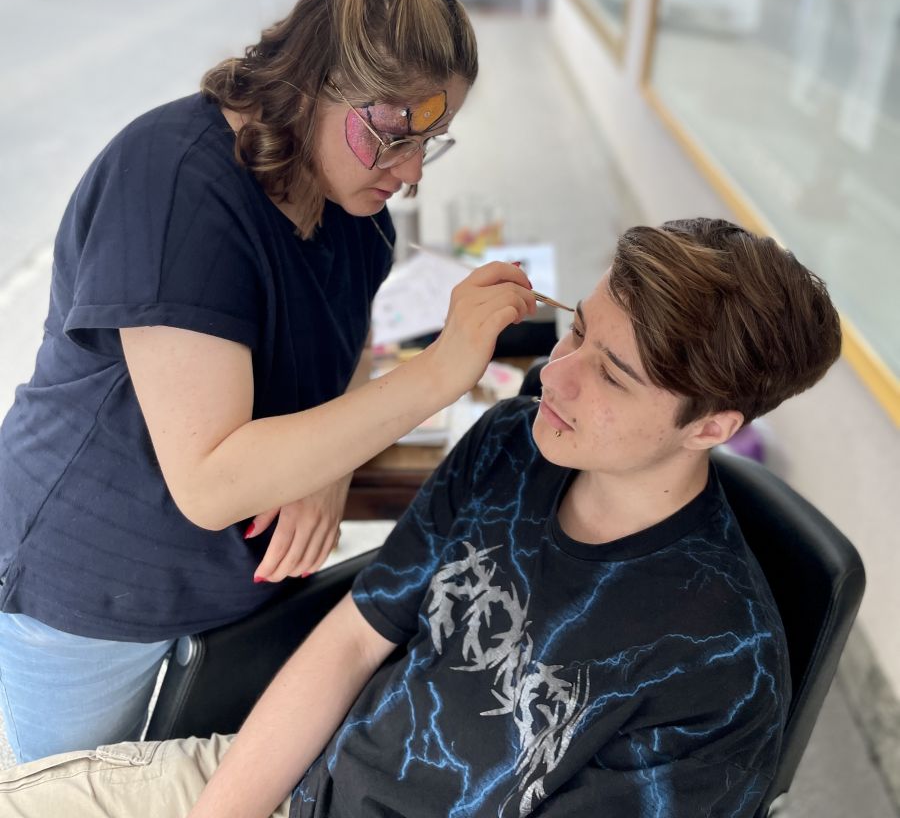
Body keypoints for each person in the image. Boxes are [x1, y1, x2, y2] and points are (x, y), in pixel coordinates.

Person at [0, 218, 844, 816]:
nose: (555, 376)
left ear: (711, 428)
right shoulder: (513, 443)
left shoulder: (719, 669)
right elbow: (351, 640)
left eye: (613, 375)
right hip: (292, 782)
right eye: (576, 332)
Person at [0, 0, 539, 763]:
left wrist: (327, 469)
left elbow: (347, 343)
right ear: (314, 82)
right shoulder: (175, 186)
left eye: (431, 142)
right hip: (92, 586)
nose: (411, 173)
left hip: (230, 588)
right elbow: (213, 482)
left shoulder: (354, 206)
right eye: (394, 136)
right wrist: (438, 371)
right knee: (78, 797)